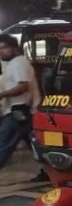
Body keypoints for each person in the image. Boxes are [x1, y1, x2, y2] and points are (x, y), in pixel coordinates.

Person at [0, 34, 37, 170]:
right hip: (23, 111)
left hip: (18, 110)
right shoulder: (12, 63)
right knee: (35, 144)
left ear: (14, 47)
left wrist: (2, 95)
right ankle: (47, 170)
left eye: (4, 48)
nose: (1, 52)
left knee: (3, 143)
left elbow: (23, 86)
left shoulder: (18, 63)